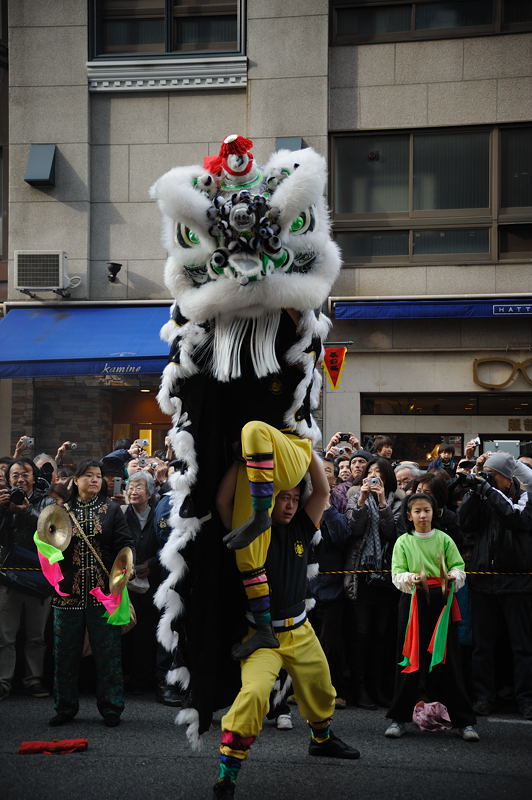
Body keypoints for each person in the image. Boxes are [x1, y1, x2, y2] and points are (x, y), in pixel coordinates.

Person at [213, 451, 360, 799]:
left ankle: (321, 741)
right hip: (260, 637)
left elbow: (322, 494)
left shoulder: (302, 527)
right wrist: (238, 460)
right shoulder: (248, 527)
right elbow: (223, 499)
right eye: (284, 498)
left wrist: (306, 449)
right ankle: (226, 774)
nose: (291, 505)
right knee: (252, 696)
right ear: (268, 496)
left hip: (301, 629)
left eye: (295, 498)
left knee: (322, 688)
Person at [385, 493, 478, 742]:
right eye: (417, 511)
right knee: (409, 659)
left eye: (426, 510)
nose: (422, 515)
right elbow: (397, 573)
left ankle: (464, 722)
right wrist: (410, 579)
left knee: (450, 660)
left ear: (434, 513)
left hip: (442, 605)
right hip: (413, 603)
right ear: (409, 515)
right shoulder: (403, 541)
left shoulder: (444, 539)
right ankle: (400, 718)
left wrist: (453, 578)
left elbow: (459, 567)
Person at [48, 459, 134, 727]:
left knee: (108, 652)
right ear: (76, 481)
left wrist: (123, 573)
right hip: (67, 594)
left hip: (103, 595)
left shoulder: (112, 511)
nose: (95, 480)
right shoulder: (61, 511)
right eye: (88, 476)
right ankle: (65, 707)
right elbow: (49, 547)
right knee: (64, 654)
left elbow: (125, 545)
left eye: (98, 476)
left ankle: (111, 708)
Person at [457, 452, 532, 719]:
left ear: (507, 476)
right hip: (483, 581)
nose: (487, 477)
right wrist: (476, 494)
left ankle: (525, 698)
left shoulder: (524, 495)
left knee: (522, 645)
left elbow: (517, 519)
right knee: (482, 645)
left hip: (517, 582)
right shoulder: (483, 494)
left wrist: (488, 491)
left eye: (493, 474)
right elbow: (464, 523)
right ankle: (483, 697)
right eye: (485, 472)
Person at [344, 457, 402, 708]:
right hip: (362, 574)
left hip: (386, 575)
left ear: (388, 476)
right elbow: (353, 529)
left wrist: (381, 501)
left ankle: (379, 688)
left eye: (378, 473)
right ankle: (360, 690)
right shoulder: (355, 493)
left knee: (382, 635)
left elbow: (393, 532)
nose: (373, 476)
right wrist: (362, 500)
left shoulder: (398, 500)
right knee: (361, 633)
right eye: (370, 472)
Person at [0, 459, 53, 700]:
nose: (20, 479)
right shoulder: (3, 500)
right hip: (7, 576)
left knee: (36, 636)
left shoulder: (47, 500)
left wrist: (27, 511)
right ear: (9, 480)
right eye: (15, 475)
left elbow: (51, 531)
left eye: (25, 474)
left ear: (34, 476)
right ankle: (3, 681)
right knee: (5, 636)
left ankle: (33, 680)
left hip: (39, 577)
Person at [121, 470, 160, 694]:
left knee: (148, 629)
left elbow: (166, 546)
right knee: (127, 628)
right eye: (130, 487)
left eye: (139, 487)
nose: (133, 491)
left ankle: (145, 677)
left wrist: (152, 565)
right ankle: (128, 676)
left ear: (150, 492)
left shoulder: (158, 515)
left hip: (151, 581)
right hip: (126, 581)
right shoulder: (122, 514)